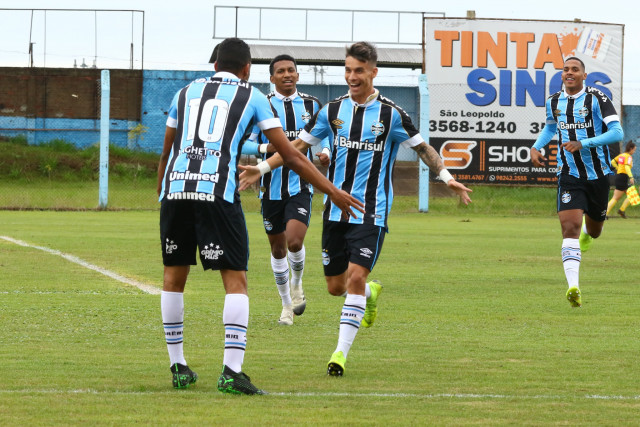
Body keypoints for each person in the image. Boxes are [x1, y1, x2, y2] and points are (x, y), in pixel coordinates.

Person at [239, 41, 472, 376]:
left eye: (358, 71)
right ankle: (369, 292)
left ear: (373, 72)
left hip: (371, 212)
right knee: (336, 287)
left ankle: (339, 355)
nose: (352, 76)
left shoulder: (392, 114)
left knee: (357, 277)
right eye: (348, 70)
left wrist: (447, 177)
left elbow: (424, 149)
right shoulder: (332, 111)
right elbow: (296, 149)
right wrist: (260, 169)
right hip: (335, 212)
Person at [156, 37, 363, 395]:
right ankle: (231, 372)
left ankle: (178, 366)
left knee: (173, 277)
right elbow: (295, 156)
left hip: (174, 190)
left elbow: (166, 152)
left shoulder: (183, 93)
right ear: (248, 68)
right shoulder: (252, 96)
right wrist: (332, 190)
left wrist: (163, 196)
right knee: (235, 280)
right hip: (216, 192)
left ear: (214, 64)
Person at [242, 54, 331, 326]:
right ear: (272, 78)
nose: (287, 74)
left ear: (297, 75)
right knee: (278, 250)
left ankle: (297, 284)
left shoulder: (312, 104)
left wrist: (325, 151)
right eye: (280, 71)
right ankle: (285, 306)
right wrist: (265, 148)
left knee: (295, 241)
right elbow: (244, 143)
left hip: (301, 186)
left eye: (291, 70)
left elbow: (325, 135)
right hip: (270, 189)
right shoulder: (261, 104)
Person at [530, 56, 624, 308]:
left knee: (594, 231)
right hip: (569, 174)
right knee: (568, 226)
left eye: (575, 69)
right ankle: (574, 287)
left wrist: (584, 143)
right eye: (565, 70)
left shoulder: (598, 98)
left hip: (599, 175)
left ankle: (587, 233)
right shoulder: (553, 101)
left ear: (584, 75)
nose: (569, 73)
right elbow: (551, 128)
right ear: (562, 75)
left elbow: (617, 132)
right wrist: (536, 147)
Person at [606, 141, 636, 218]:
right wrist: (631, 177)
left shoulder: (622, 155)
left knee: (632, 195)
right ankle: (606, 213)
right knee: (617, 198)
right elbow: (626, 167)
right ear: (631, 149)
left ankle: (621, 210)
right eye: (634, 150)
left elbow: (612, 161)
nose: (634, 151)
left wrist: (617, 167)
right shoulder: (628, 157)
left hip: (620, 177)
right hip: (623, 177)